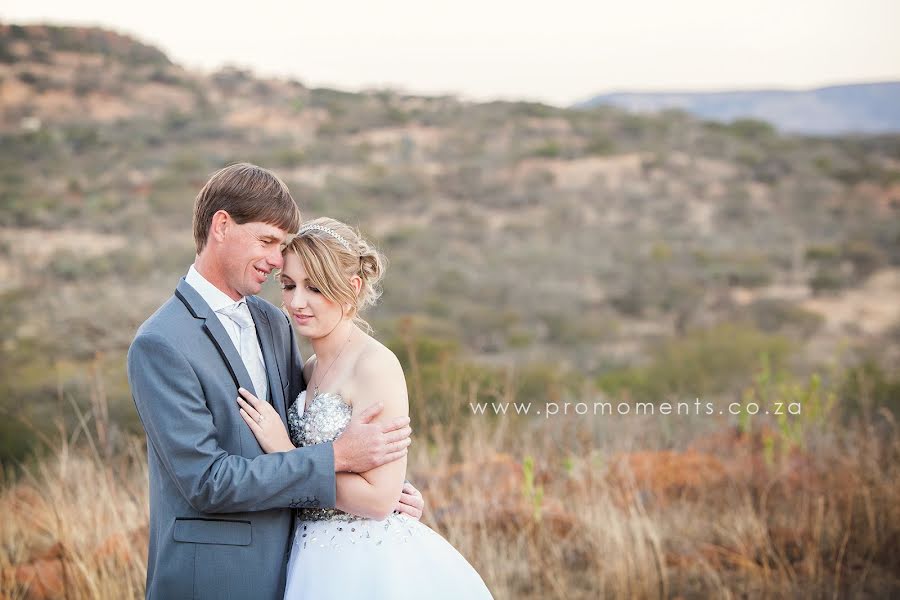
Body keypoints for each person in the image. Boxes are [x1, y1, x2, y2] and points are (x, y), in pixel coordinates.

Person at [127, 164, 424, 600]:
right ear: (222, 226)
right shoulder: (161, 343)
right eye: (267, 241)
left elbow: (300, 432)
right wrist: (336, 457)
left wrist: (383, 493)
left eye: (282, 246)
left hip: (301, 566)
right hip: (214, 577)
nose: (275, 259)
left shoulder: (275, 323)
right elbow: (208, 482)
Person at [236, 217, 494, 599]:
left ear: (352, 287)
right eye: (289, 285)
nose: (296, 302)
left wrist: (286, 453)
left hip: (363, 561)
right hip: (306, 556)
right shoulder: (308, 368)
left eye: (315, 288)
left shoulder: (375, 365)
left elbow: (378, 500)